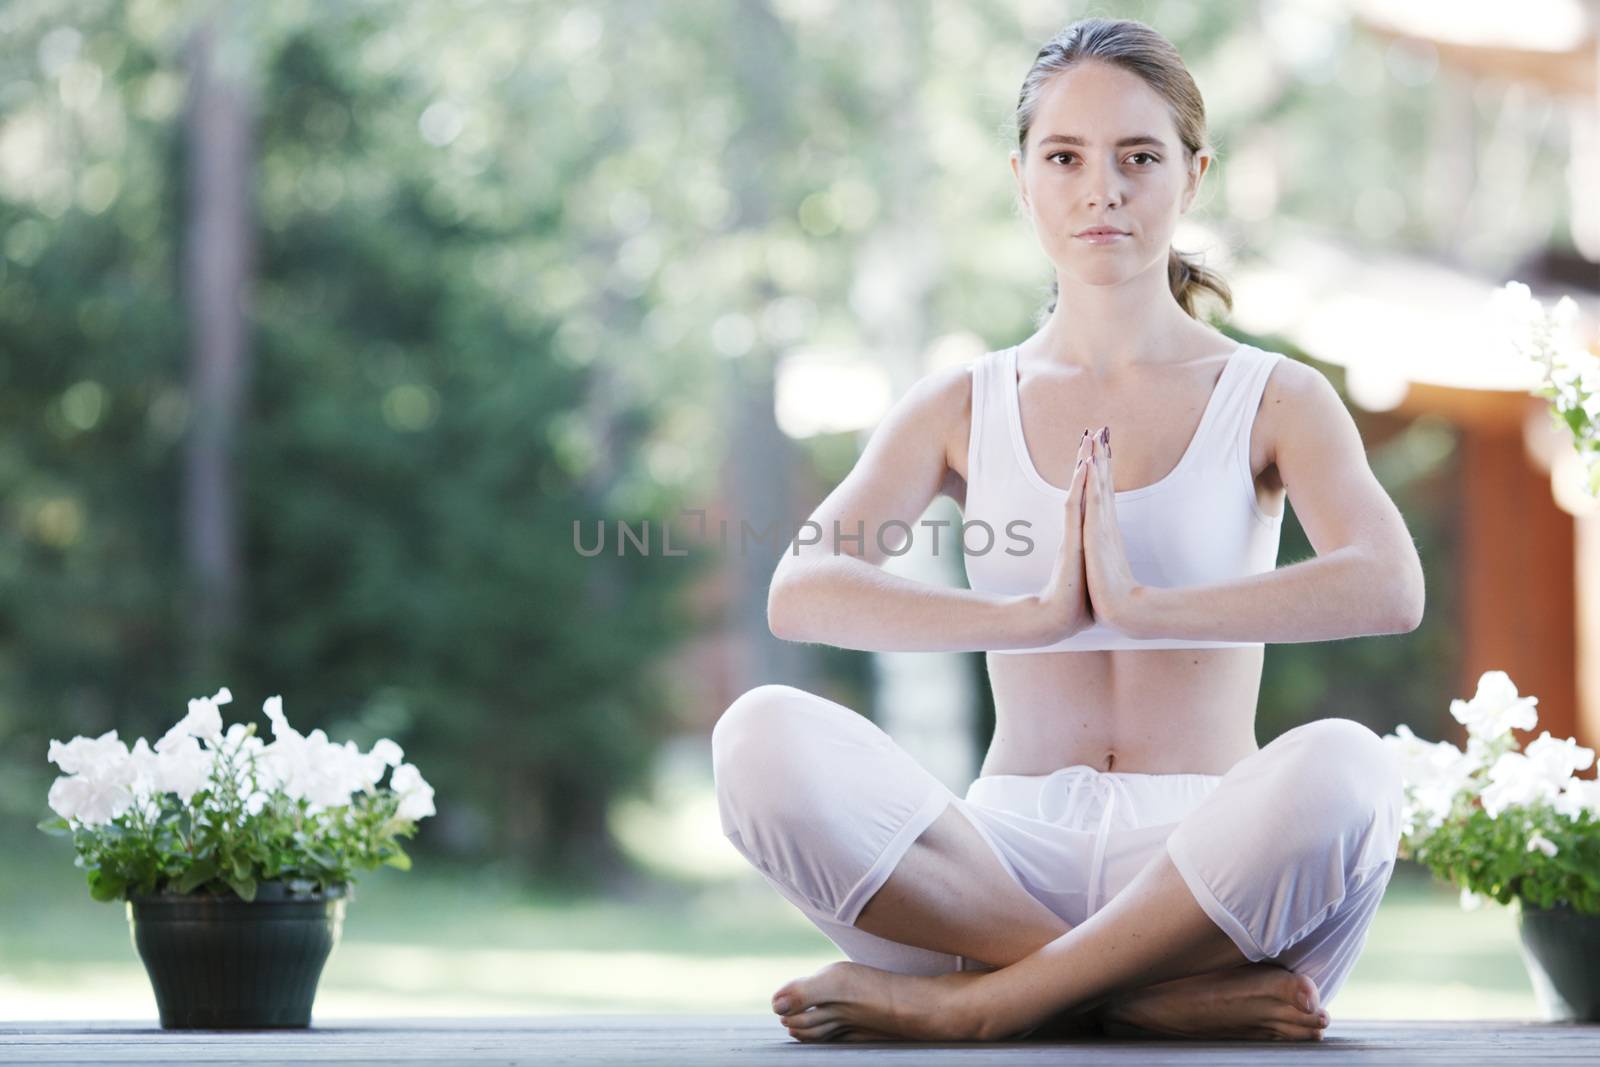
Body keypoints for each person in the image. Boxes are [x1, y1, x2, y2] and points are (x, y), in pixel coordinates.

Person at [712, 16, 1424, 1044]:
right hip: (997, 859)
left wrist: (1146, 607)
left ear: (1193, 173)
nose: (1103, 189)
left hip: (1208, 873)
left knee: (1347, 768)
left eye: (1139, 156)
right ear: (1021, 177)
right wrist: (1031, 613)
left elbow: (1387, 583)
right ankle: (1140, 994)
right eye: (1065, 157)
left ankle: (989, 1000)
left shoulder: (1271, 396)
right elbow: (804, 587)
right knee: (756, 736)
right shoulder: (959, 400)